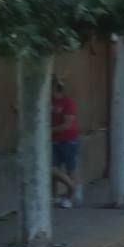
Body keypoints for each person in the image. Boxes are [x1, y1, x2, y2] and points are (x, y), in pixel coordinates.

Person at [50, 78, 81, 208]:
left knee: (70, 168)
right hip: (53, 140)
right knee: (52, 169)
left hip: (69, 139)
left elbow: (67, 125)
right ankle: (55, 196)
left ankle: (69, 196)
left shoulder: (68, 102)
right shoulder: (48, 101)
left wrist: (46, 131)